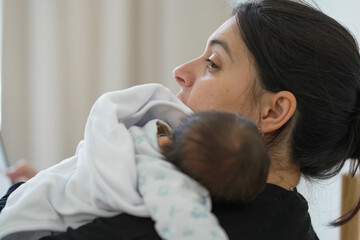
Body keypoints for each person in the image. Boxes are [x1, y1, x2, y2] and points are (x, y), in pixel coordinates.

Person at [3, 0, 360, 239]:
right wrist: (76, 190)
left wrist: (33, 196)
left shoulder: (175, 217)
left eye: (212, 64)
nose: (181, 72)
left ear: (273, 112)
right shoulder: (290, 224)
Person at [0, 84, 269, 240]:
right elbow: (187, 222)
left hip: (28, 202)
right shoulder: (163, 178)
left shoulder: (145, 129)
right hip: (30, 221)